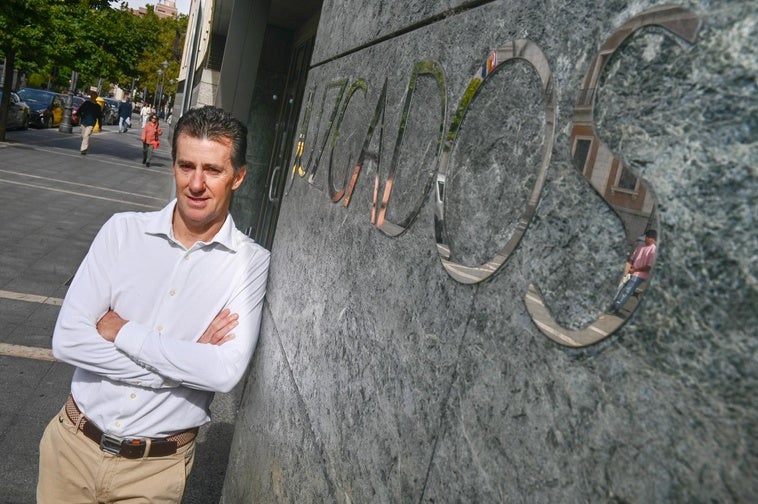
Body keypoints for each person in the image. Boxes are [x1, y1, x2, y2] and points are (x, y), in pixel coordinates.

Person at [37, 105, 270, 503]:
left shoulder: (249, 262)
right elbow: (68, 341)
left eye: (213, 170)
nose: (196, 183)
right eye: (186, 166)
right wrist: (187, 363)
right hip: (70, 451)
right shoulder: (122, 232)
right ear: (174, 166)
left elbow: (225, 372)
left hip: (154, 473)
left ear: (238, 177)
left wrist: (123, 331)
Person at [610, 229, 657, 313]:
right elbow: (632, 258)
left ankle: (616, 307)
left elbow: (648, 267)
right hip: (631, 271)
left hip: (639, 275)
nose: (646, 239)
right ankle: (611, 304)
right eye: (646, 237)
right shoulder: (640, 246)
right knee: (619, 287)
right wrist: (629, 268)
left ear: (653, 239)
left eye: (648, 238)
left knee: (627, 291)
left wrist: (634, 270)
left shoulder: (653, 250)